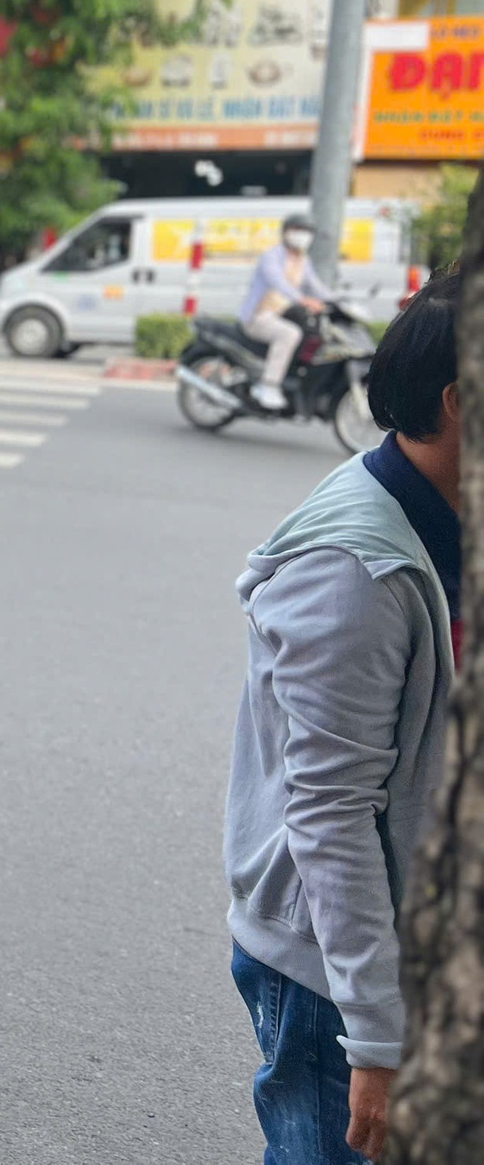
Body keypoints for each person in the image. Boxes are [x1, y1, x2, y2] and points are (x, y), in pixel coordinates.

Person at [224, 266, 463, 1165]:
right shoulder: (355, 576)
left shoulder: (444, 504)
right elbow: (329, 815)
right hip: (339, 973)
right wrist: (377, 1039)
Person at [240, 211, 335, 411]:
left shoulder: (303, 260)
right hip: (258, 316)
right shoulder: (271, 257)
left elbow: (315, 286)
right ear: (285, 232)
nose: (303, 235)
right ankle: (268, 385)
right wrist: (303, 300)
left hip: (279, 315)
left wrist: (338, 300)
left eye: (307, 231)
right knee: (290, 334)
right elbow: (278, 283)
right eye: (297, 230)